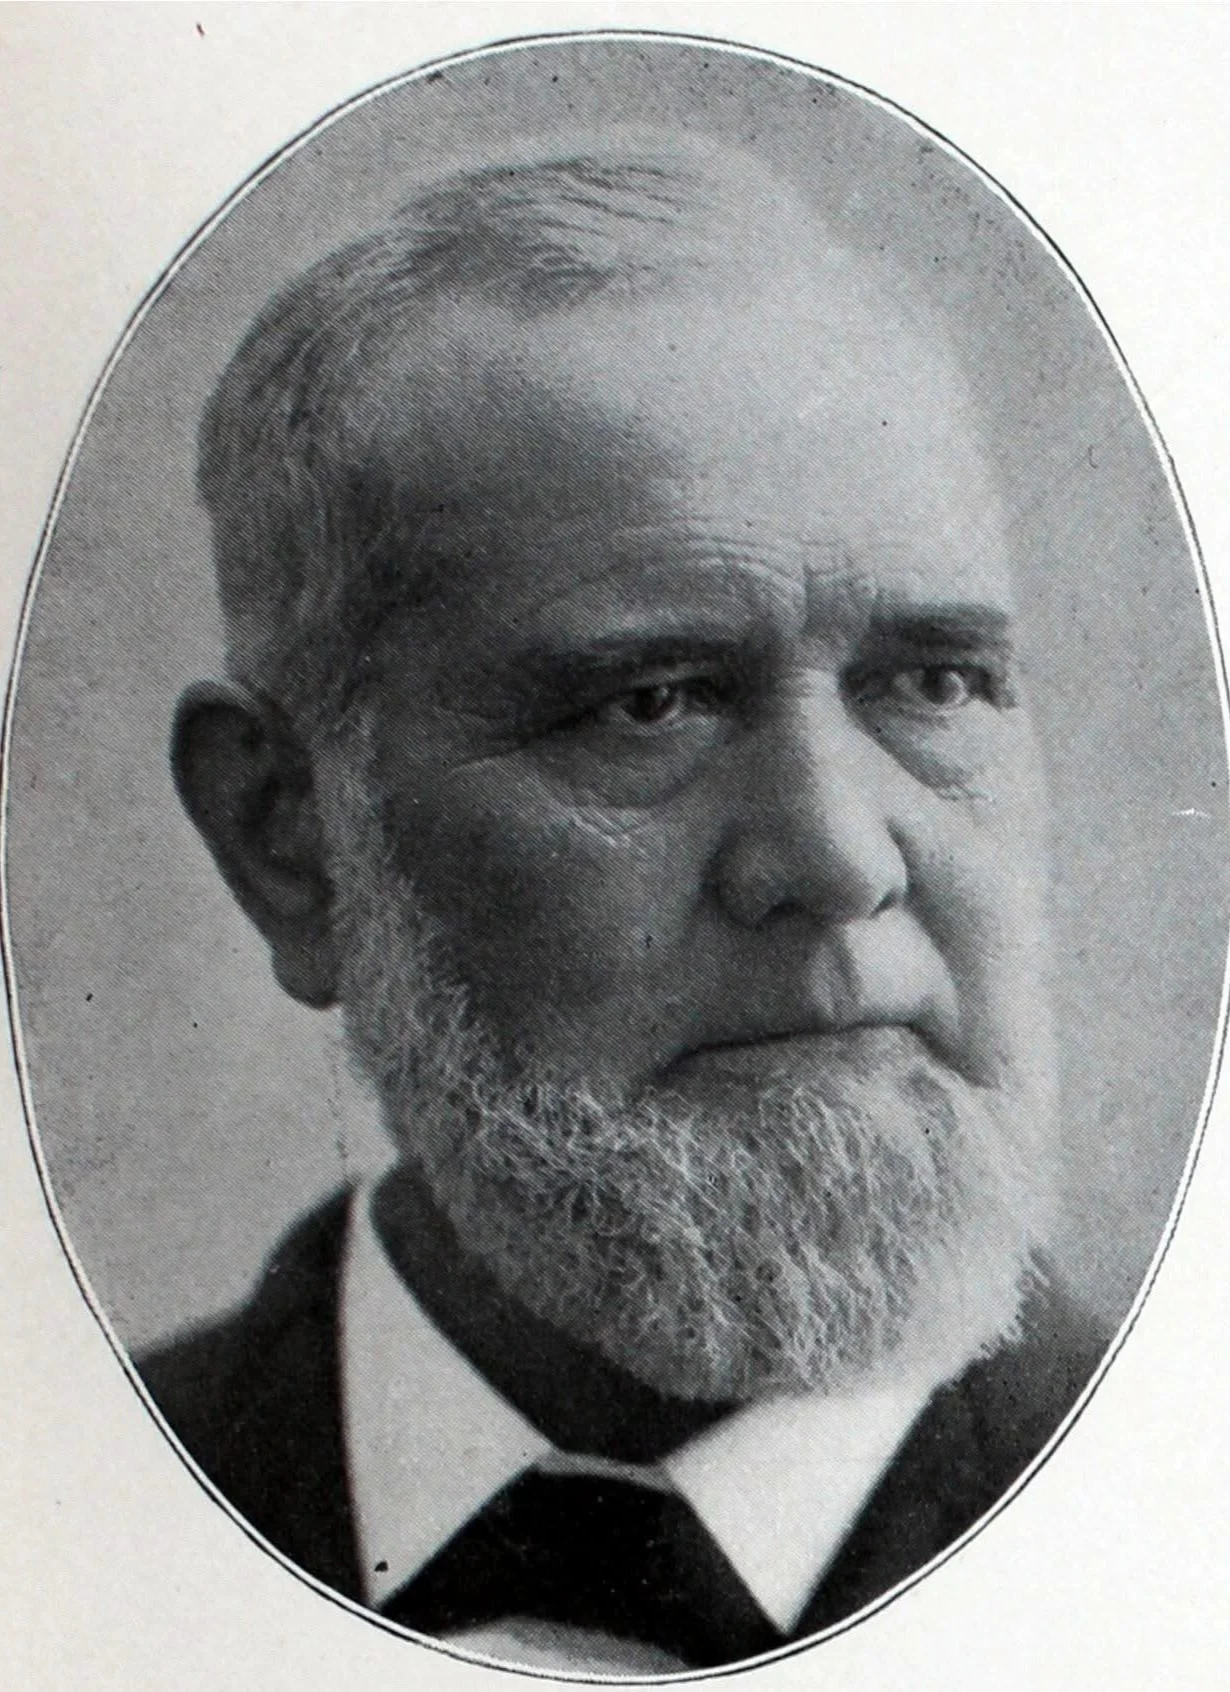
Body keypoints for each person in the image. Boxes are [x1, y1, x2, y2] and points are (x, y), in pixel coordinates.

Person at [140, 139, 1107, 1673]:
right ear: (289, 837)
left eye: (933, 684)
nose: (841, 860)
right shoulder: (77, 1513)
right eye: (648, 704)